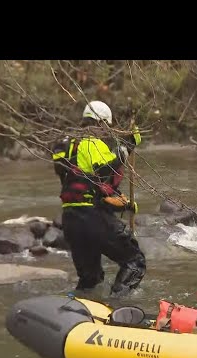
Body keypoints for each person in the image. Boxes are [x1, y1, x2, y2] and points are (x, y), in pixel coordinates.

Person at [52, 100, 145, 297]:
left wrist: (122, 204)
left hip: (70, 219)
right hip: (90, 217)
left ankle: (79, 307)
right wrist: (129, 145)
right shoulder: (91, 143)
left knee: (90, 278)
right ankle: (118, 306)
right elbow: (107, 169)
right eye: (106, 128)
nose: (106, 133)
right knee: (134, 261)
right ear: (101, 122)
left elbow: (87, 183)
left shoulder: (65, 143)